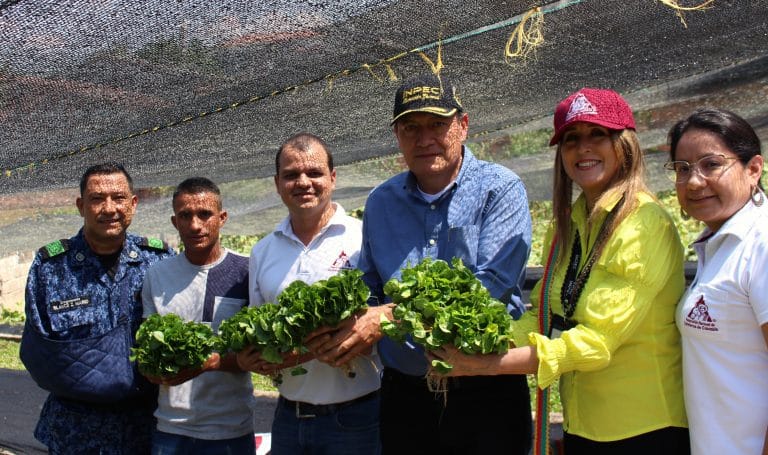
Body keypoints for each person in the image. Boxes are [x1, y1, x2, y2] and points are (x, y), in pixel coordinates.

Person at [431, 88, 690, 453]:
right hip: (583, 424)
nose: (583, 148)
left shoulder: (643, 224)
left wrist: (488, 364)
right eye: (571, 139)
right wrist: (474, 337)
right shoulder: (567, 225)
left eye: (598, 134)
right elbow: (543, 316)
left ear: (625, 145)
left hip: (643, 429)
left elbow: (596, 342)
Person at [309, 73, 534, 454]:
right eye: (410, 127)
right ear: (397, 136)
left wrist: (389, 317)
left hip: (485, 391)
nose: (424, 138)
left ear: (463, 126)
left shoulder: (499, 189)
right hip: (406, 395)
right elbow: (369, 284)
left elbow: (490, 287)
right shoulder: (382, 201)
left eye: (437, 124)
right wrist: (338, 326)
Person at [236, 133, 381, 454]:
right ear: (277, 183)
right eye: (291, 175)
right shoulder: (263, 250)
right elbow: (261, 328)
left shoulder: (363, 237)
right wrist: (253, 357)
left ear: (333, 178)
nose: (303, 182)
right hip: (289, 416)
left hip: (356, 417)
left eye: (314, 173)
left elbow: (383, 319)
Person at [20, 162, 174, 454]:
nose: (109, 208)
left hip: (147, 430)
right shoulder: (51, 267)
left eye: (118, 198)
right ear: (81, 206)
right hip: (74, 433)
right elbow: (39, 355)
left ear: (133, 203)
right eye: (97, 199)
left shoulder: (159, 260)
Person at [665, 108, 767, 455]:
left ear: (753, 169)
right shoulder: (721, 244)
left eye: (711, 165)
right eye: (683, 169)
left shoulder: (761, 243)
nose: (694, 182)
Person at [140, 177, 255, 454]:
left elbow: (257, 354)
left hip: (231, 429)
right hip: (171, 429)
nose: (195, 225)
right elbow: (146, 350)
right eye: (185, 216)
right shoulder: (158, 275)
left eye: (205, 214)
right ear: (174, 222)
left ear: (222, 218)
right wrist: (152, 371)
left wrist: (209, 363)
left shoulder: (246, 272)